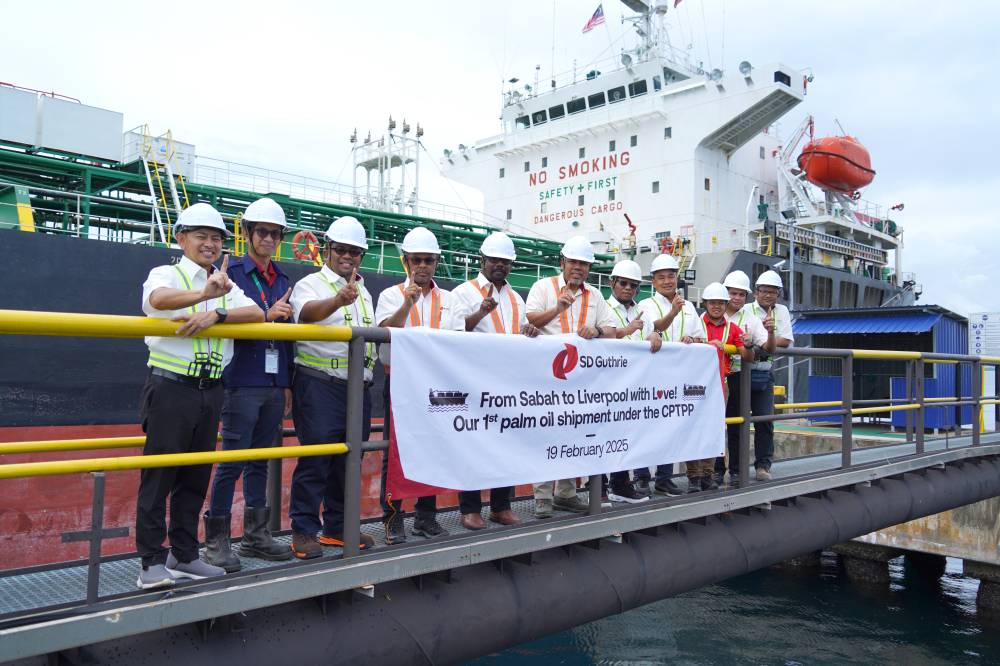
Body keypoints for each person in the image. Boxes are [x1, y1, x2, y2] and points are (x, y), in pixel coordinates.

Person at [136, 203, 263, 589]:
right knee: (159, 475)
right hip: (171, 386)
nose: (210, 244)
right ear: (181, 238)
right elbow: (157, 300)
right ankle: (150, 563)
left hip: (210, 390)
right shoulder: (167, 272)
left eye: (216, 238)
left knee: (195, 475)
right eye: (201, 236)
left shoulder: (225, 282)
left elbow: (256, 314)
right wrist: (202, 295)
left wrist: (218, 314)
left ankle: (185, 554)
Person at [203, 197, 295, 572]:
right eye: (262, 232)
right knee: (232, 460)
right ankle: (217, 540)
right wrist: (265, 317)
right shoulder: (231, 274)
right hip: (240, 380)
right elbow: (218, 319)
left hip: (272, 383)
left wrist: (286, 383)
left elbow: (287, 336)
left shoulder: (285, 279)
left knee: (261, 460)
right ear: (246, 233)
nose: (269, 239)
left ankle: (256, 536)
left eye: (275, 234)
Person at [287, 216, 377, 559]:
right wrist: (338, 301)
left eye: (355, 252)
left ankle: (338, 528)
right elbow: (307, 314)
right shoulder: (311, 284)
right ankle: (304, 530)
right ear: (327, 249)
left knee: (349, 459)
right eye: (341, 249)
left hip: (358, 388)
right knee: (318, 457)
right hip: (321, 383)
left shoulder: (364, 290)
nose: (348, 257)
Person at [375, 227, 464, 544]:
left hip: (437, 386)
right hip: (400, 383)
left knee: (435, 448)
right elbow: (385, 333)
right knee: (393, 452)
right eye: (416, 260)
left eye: (428, 260)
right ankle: (393, 519)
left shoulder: (451, 300)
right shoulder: (390, 295)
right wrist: (406, 305)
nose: (422, 266)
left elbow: (456, 342)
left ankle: (426, 517)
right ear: (405, 261)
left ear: (436, 262)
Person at [525, 236, 620, 519]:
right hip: (548, 375)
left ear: (589, 268)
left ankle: (565, 494)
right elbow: (530, 321)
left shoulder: (595, 295)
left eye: (584, 264)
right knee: (545, 433)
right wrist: (558, 309)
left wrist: (597, 331)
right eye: (574, 262)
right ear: (562, 263)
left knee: (575, 434)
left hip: (582, 379)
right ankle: (542, 498)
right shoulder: (543, 287)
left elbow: (612, 329)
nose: (578, 268)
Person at [450, 232, 539, 530]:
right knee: (474, 444)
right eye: (494, 259)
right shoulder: (463, 292)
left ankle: (501, 506)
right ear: (482, 260)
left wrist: (530, 332)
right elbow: (453, 333)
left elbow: (519, 333)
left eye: (505, 260)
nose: (499, 264)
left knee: (505, 445)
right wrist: (480, 312)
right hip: (474, 381)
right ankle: (470, 509)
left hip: (508, 383)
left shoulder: (516, 298)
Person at [633, 253, 707, 496]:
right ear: (653, 282)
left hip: (678, 378)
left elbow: (701, 336)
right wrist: (672, 313)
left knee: (670, 427)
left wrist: (693, 339)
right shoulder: (645, 305)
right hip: (651, 377)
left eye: (671, 276)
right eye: (661, 277)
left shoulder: (689, 309)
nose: (667, 281)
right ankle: (642, 477)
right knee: (645, 426)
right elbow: (647, 332)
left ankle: (664, 478)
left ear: (677, 279)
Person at [685, 282, 752, 493]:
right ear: (705, 303)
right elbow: (682, 342)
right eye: (712, 302)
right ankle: (693, 477)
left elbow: (747, 356)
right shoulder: (694, 323)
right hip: (693, 384)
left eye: (721, 303)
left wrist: (748, 343)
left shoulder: (733, 329)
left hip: (718, 386)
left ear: (726, 304)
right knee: (692, 429)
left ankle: (708, 474)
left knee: (712, 430)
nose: (717, 306)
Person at [713, 270, 776, 487]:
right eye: (733, 293)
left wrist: (770, 332)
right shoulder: (711, 315)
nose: (737, 298)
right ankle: (715, 471)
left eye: (741, 294)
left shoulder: (750, 318)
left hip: (739, 377)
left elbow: (768, 347)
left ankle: (737, 471)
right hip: (715, 378)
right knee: (716, 425)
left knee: (737, 426)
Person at [604, 260, 657, 503]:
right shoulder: (603, 307)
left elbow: (650, 334)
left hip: (634, 384)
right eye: (623, 283)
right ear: (612, 283)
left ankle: (620, 483)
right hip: (608, 383)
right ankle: (602, 486)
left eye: (633, 285)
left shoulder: (642, 312)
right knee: (603, 434)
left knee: (627, 435)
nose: (628, 288)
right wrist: (627, 329)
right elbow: (600, 334)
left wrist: (655, 334)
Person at [740, 270, 794, 481]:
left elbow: (786, 340)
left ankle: (763, 466)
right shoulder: (746, 309)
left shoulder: (781, 311)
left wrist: (759, 340)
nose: (768, 296)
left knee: (765, 421)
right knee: (736, 422)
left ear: (778, 294)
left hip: (764, 371)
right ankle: (733, 468)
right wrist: (767, 340)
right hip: (741, 370)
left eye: (773, 292)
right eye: (764, 291)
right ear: (755, 293)